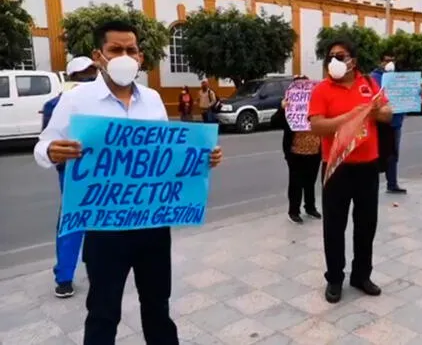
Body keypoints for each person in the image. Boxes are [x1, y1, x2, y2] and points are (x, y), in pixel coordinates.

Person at [33, 20, 224, 345]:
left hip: (152, 226)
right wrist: (52, 150)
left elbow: (168, 153)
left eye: (131, 50)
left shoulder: (151, 100)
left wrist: (202, 157)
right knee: (104, 312)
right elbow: (42, 145)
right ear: (99, 55)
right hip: (104, 228)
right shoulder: (78, 100)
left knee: (157, 307)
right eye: (116, 50)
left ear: (140, 55)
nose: (125, 55)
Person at [308, 39, 392, 304]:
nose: (333, 60)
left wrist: (377, 111)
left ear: (353, 61)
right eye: (330, 56)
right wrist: (350, 117)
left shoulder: (368, 84)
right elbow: (317, 126)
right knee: (334, 226)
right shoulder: (321, 89)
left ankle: (361, 275)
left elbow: (388, 113)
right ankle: (334, 278)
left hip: (367, 166)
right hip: (335, 167)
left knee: (366, 225)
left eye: (340, 56)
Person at [41, 56, 98, 299]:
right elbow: (49, 143)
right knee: (78, 221)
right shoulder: (58, 104)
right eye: (84, 74)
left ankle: (71, 276)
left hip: (91, 171)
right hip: (79, 171)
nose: (88, 78)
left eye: (90, 73)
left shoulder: (55, 103)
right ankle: (68, 276)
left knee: (81, 221)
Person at [270, 76, 322, 224]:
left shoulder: (316, 102)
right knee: (296, 182)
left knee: (310, 181)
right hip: (295, 151)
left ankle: (310, 207)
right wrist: (282, 108)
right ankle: (294, 210)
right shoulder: (289, 103)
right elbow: (274, 122)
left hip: (315, 149)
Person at [370, 53, 407, 194]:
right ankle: (372, 184)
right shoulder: (374, 78)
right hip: (380, 123)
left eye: (392, 60)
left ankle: (392, 183)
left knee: (393, 154)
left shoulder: (399, 78)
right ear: (381, 62)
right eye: (387, 60)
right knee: (377, 154)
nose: (390, 63)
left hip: (395, 122)